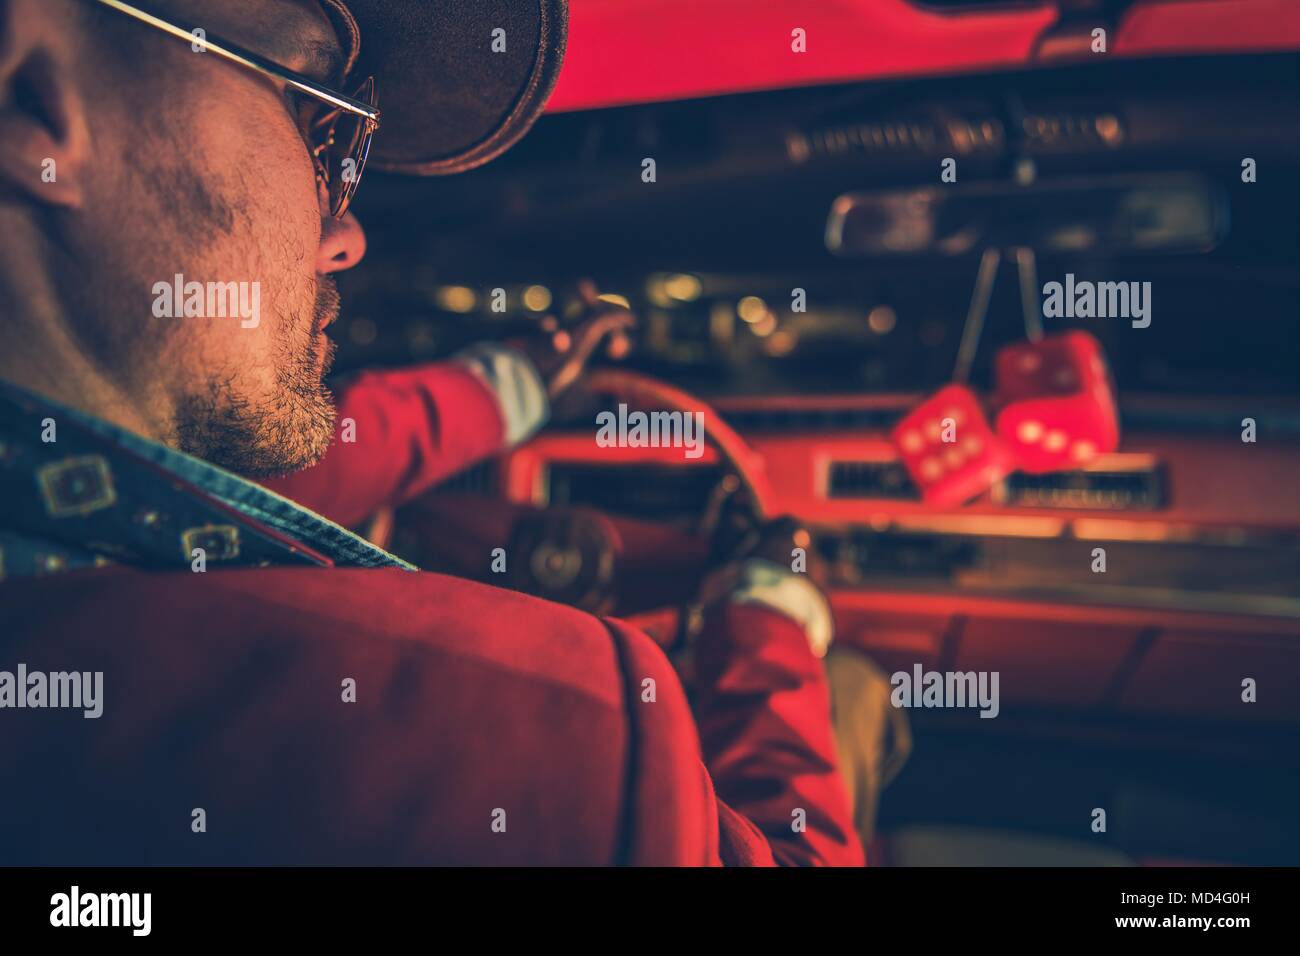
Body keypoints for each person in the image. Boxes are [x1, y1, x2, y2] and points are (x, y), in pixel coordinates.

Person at [0, 0, 863, 865]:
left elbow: (268, 488)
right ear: (32, 106)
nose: (346, 234)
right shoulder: (570, 755)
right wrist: (768, 616)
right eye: (314, 124)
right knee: (858, 693)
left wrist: (508, 388)